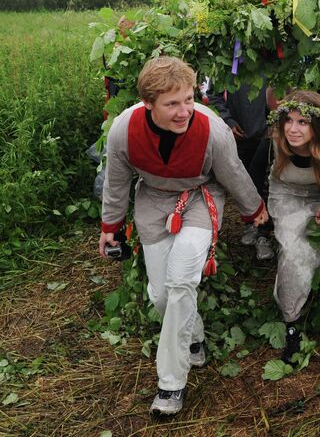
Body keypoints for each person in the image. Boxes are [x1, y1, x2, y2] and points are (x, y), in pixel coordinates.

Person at [98, 56, 268, 415]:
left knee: (179, 282)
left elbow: (234, 173)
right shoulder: (123, 130)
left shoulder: (211, 128)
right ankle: (195, 339)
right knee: (160, 295)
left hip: (199, 199)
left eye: (188, 99)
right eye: (172, 103)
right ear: (148, 104)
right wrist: (110, 228)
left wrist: (254, 210)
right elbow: (116, 182)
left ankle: (171, 385)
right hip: (153, 201)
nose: (184, 111)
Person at [265, 91, 320, 363]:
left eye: (302, 122)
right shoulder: (276, 143)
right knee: (294, 250)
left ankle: (294, 292)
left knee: (316, 251)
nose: (293, 129)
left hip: (317, 200)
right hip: (285, 196)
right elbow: (251, 175)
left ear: (317, 126)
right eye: (288, 121)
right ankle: (292, 322)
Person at [207, 81, 274, 257]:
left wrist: (276, 123)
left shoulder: (274, 60)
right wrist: (227, 119)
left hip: (268, 133)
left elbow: (286, 93)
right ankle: (252, 224)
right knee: (246, 181)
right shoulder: (230, 61)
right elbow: (214, 95)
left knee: (265, 180)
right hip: (240, 134)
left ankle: (264, 234)